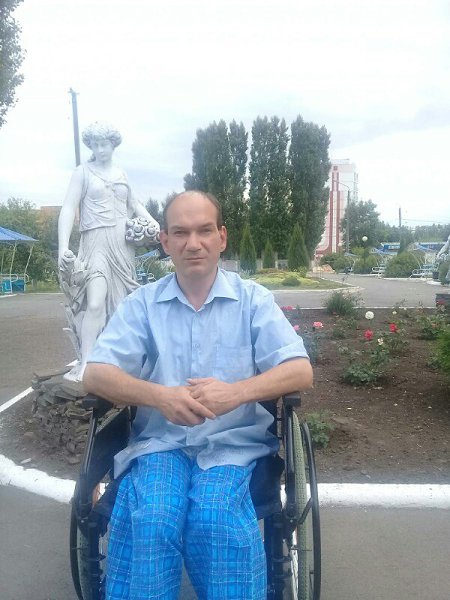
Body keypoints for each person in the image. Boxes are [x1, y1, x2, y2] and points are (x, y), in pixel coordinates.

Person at [83, 190, 313, 600]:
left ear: (221, 237)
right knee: (154, 518)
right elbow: (96, 374)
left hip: (233, 447)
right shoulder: (142, 305)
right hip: (161, 444)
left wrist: (236, 393)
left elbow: (300, 370)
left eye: (204, 230)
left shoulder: (252, 301)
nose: (194, 243)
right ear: (165, 241)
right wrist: (160, 397)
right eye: (181, 232)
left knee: (215, 518)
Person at [58, 121, 159, 381]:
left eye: (104, 144)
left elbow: (135, 203)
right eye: (95, 145)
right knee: (94, 303)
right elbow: (68, 208)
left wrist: (154, 223)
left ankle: (117, 361)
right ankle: (87, 363)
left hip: (122, 246)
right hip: (95, 244)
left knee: (123, 307)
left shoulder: (121, 173)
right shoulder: (82, 172)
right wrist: (63, 247)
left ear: (113, 145)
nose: (100, 149)